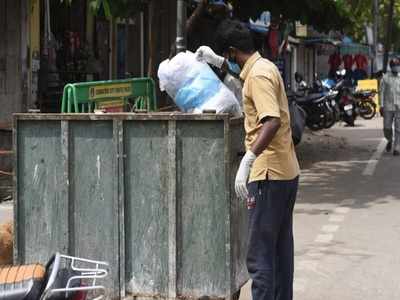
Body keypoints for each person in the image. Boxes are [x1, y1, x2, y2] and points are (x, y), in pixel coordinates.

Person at [196, 20, 300, 300]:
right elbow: (243, 80)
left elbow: (271, 121)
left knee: (260, 257)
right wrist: (218, 63)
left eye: (226, 55)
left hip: (268, 174)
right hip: (285, 173)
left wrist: (248, 159)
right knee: (279, 251)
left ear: (232, 50)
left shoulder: (259, 76)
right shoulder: (262, 67)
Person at [379, 58, 400, 156]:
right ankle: (389, 140)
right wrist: (381, 106)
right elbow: (381, 93)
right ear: (391, 67)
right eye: (394, 66)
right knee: (387, 127)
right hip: (388, 106)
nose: (396, 67)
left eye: (398, 65)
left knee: (398, 128)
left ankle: (397, 148)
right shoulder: (385, 78)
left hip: (399, 107)